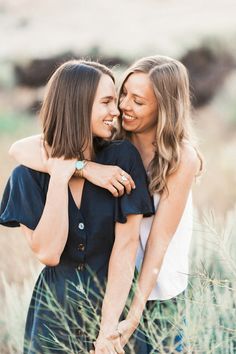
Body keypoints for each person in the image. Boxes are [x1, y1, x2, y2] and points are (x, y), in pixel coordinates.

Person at [8, 55, 203, 353]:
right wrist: (79, 169)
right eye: (120, 96)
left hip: (158, 291)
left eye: (136, 101)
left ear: (162, 108)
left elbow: (154, 244)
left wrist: (124, 322)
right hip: (81, 300)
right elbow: (20, 149)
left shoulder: (164, 158)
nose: (122, 107)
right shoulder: (110, 141)